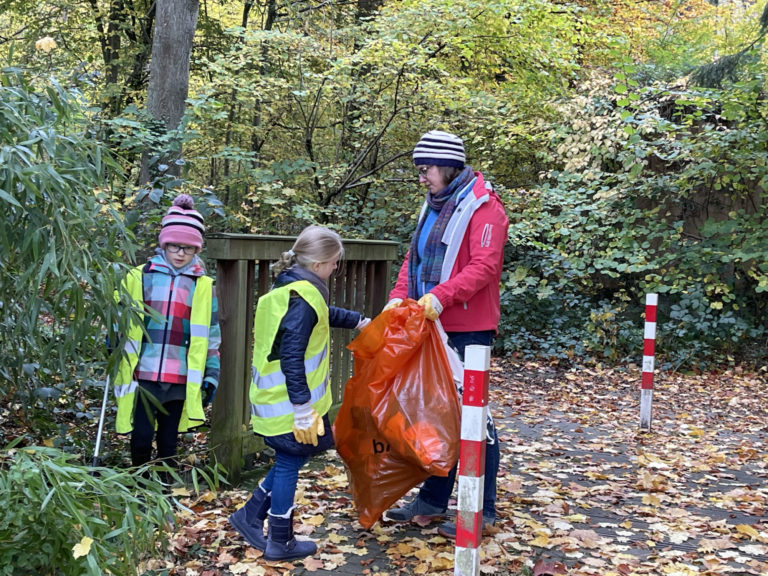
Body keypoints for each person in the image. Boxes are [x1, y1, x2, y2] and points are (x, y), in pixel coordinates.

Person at [382, 130, 508, 538]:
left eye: (426, 169)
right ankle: (433, 501)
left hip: (468, 329)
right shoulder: (433, 206)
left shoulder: (485, 208)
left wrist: (438, 296)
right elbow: (413, 258)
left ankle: (481, 510)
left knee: (474, 420)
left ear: (448, 165)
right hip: (431, 325)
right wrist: (398, 298)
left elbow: (484, 267)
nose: (422, 177)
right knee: (436, 418)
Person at [230, 225, 370, 561]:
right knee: (292, 459)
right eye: (335, 262)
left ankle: (249, 515)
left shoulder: (292, 287)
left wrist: (359, 321)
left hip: (276, 398)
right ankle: (281, 540)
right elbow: (292, 355)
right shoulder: (303, 298)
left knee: (292, 457)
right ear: (320, 263)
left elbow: (320, 317)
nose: (336, 268)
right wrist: (303, 406)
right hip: (288, 403)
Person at [113, 194, 221, 475]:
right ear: (164, 244)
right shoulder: (140, 277)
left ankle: (164, 489)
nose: (181, 253)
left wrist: (211, 375)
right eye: (175, 245)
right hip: (144, 374)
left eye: (188, 248)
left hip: (180, 376)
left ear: (196, 250)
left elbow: (210, 335)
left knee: (168, 442)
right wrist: (113, 340)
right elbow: (121, 317)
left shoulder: (202, 286)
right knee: (140, 437)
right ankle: (140, 486)